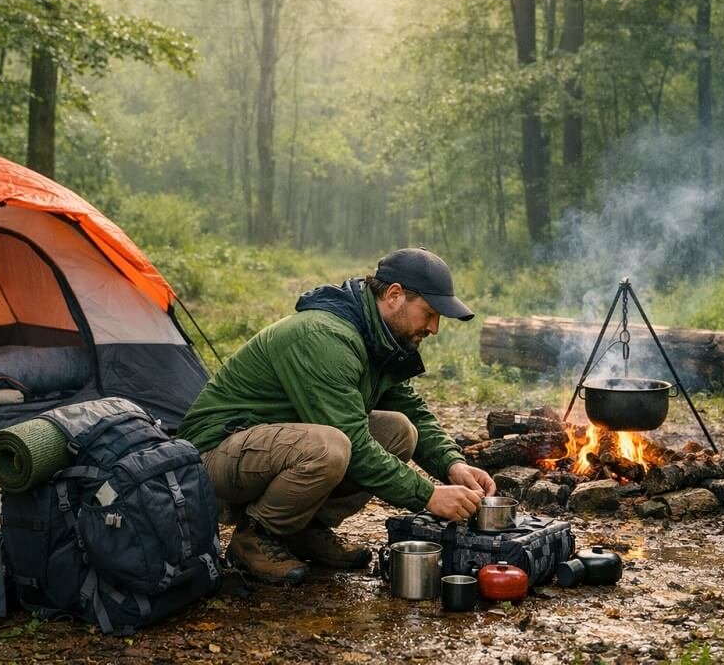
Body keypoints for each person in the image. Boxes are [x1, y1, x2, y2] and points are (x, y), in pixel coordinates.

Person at [178, 248, 496, 584]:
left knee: (399, 430)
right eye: (429, 314)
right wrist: (428, 495)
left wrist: (452, 464)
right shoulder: (325, 337)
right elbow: (356, 446)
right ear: (394, 295)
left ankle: (305, 529)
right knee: (332, 447)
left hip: (267, 450)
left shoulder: (378, 337)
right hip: (212, 458)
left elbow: (412, 411)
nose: (434, 328)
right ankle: (256, 537)